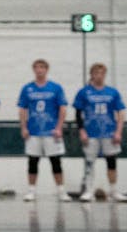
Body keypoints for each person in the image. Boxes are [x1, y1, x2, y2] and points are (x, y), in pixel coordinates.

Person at [17, 59, 71, 202]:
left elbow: (63, 108)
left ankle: (61, 191)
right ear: (33, 70)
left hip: (51, 132)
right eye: (37, 67)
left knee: (56, 162)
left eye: (42, 67)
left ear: (47, 69)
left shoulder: (55, 88)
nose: (39, 70)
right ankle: (31, 191)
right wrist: (23, 127)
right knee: (33, 162)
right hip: (33, 132)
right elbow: (22, 109)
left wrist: (59, 127)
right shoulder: (27, 88)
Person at [73, 63, 127, 202]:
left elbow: (120, 112)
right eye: (96, 73)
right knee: (90, 162)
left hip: (109, 132)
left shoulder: (112, 92)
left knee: (111, 162)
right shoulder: (84, 92)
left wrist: (118, 131)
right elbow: (78, 113)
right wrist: (82, 131)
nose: (99, 76)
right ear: (91, 74)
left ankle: (114, 191)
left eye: (102, 73)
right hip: (91, 133)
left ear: (105, 74)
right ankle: (89, 191)